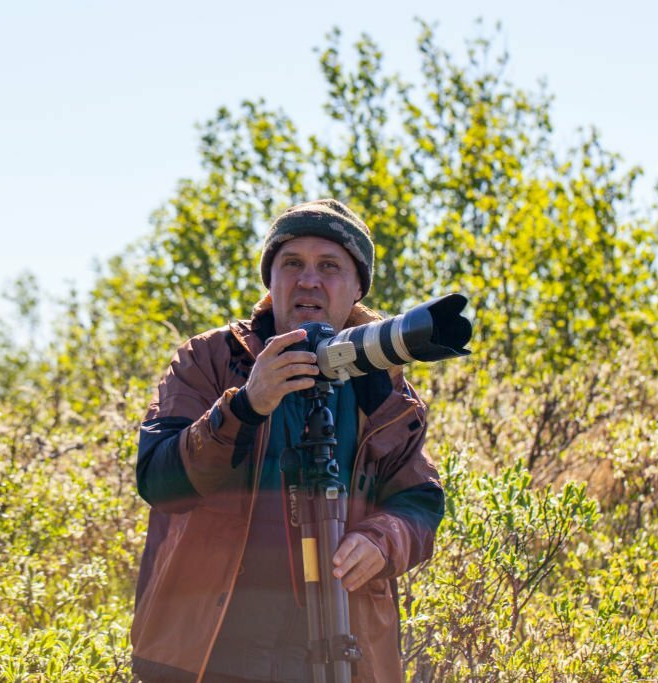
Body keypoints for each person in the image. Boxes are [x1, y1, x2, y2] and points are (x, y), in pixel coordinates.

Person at [131, 198, 445, 683]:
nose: (309, 280)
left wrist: (382, 542)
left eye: (330, 266)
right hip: (209, 649)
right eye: (292, 263)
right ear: (270, 279)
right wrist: (244, 407)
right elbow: (160, 480)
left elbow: (419, 501)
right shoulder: (211, 360)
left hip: (338, 649)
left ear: (358, 286)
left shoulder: (383, 384)